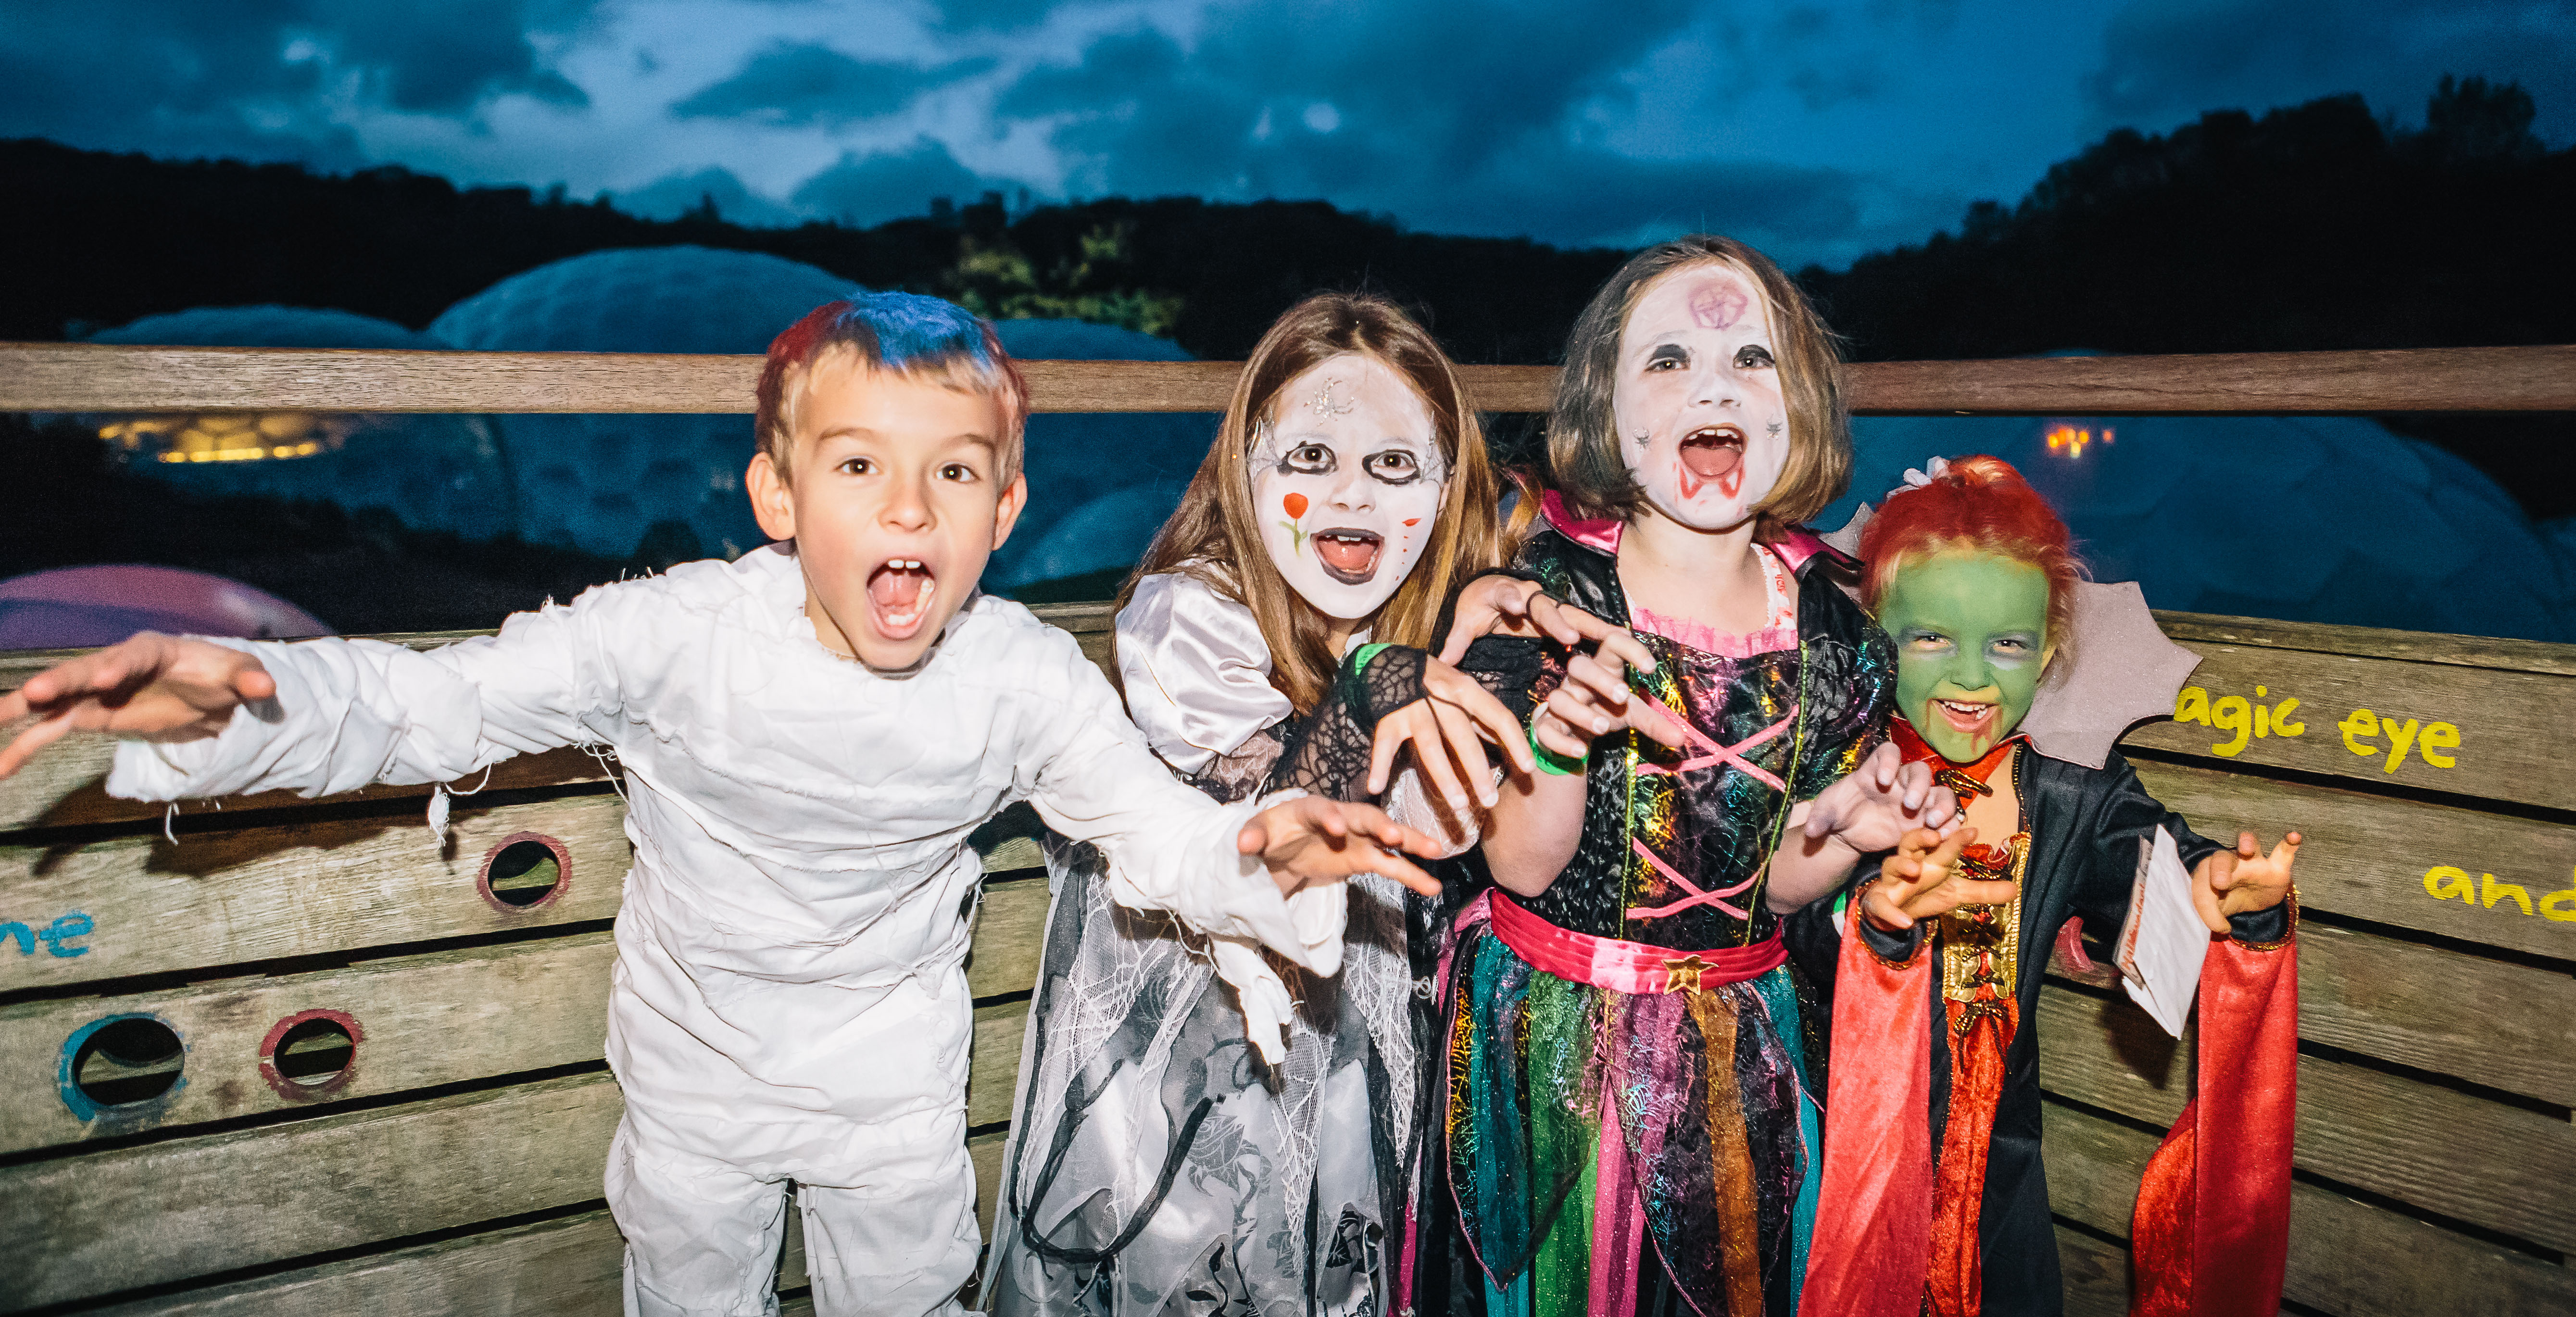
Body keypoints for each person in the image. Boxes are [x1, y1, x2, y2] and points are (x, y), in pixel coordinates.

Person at [0, 293, 1447, 1317]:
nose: (907, 511)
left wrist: (1261, 854)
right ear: (776, 492)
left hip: (892, 1106)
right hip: (692, 1099)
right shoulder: (674, 631)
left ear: (1003, 515)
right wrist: (240, 702)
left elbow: (1157, 833)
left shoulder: (1015, 673)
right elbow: (431, 705)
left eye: (953, 474)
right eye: (859, 466)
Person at [1322, 234, 1954, 1317]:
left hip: (1737, 1055)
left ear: (1799, 404)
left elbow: (1778, 889)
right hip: (1549, 1050)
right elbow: (1521, 866)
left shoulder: (1839, 641)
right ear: (1604, 413)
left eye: (1751, 358)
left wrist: (1851, 823)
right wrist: (1562, 735)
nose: (1712, 380)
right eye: (1666, 360)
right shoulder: (1547, 599)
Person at [988, 291, 1634, 1317]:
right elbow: (1270, 842)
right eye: (1311, 459)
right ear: (1247, 469)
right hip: (1182, 1084)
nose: (1354, 494)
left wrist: (1492, 657)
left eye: (1393, 465)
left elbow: (1456, 828)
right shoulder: (1189, 616)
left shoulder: (1421, 630)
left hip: (1351, 1078)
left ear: (1443, 483)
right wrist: (1379, 688)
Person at [1800, 456, 2302, 1317]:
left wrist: (2223, 891)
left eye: (2007, 644)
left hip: (1999, 1174)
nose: (1970, 678)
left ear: (2047, 653)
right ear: (1872, 640)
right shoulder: (1836, 783)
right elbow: (1784, 930)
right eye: (1930, 638)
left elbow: (2161, 866)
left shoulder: (2073, 798)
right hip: (1832, 1157)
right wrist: (1874, 921)